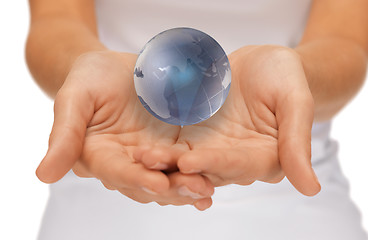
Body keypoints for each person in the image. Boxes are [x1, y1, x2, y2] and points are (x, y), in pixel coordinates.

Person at [26, 0, 368, 239]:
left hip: (286, 172)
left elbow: (343, 41)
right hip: (105, 165)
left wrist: (296, 76)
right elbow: (57, 20)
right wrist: (82, 67)